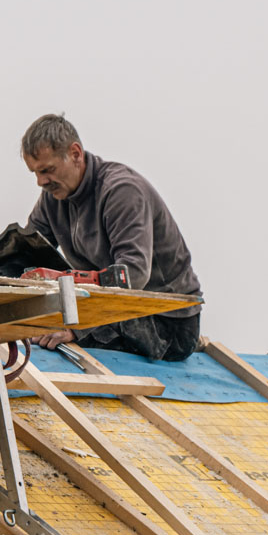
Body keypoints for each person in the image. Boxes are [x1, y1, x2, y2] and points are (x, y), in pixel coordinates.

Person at [20, 114, 204, 361]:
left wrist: (81, 328)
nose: (41, 182)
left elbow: (133, 276)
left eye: (48, 170)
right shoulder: (53, 198)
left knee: (60, 337)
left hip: (166, 322)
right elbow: (26, 254)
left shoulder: (121, 191)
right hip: (109, 311)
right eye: (35, 173)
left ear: (75, 154)